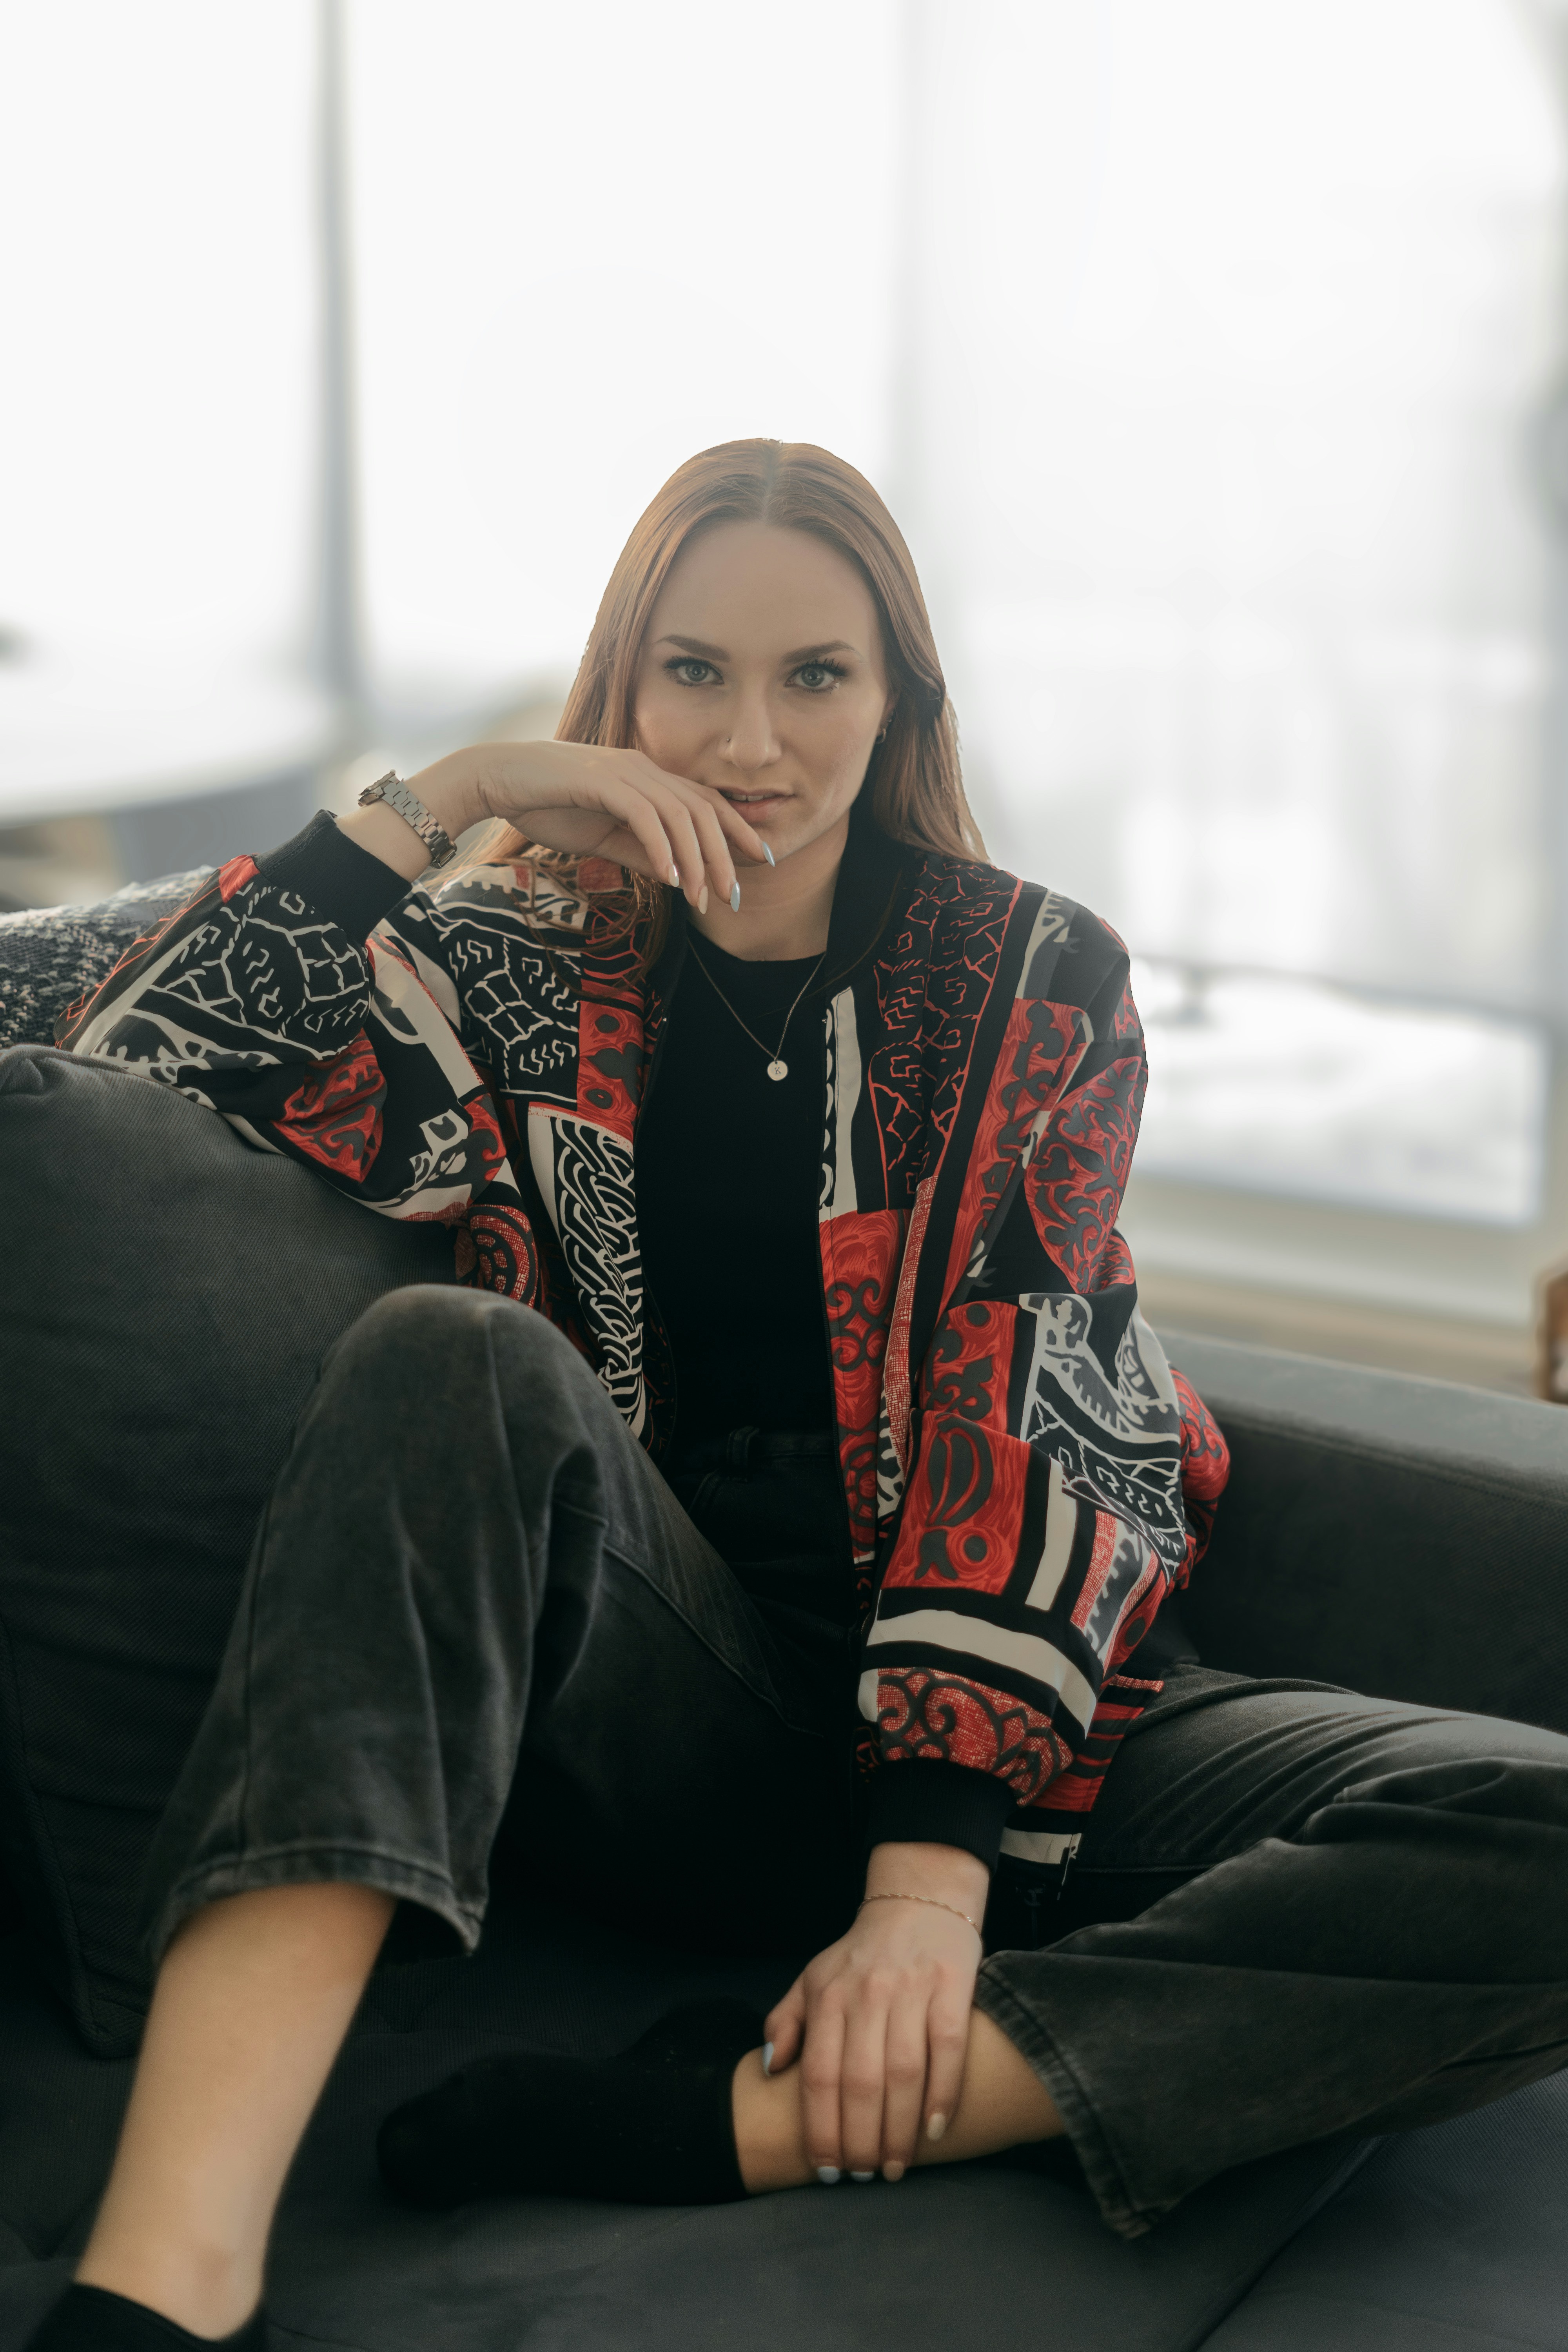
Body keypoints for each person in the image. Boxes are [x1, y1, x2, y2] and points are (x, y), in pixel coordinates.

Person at [35, 440, 1568, 2351]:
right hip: (679, 1714)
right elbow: (91, 1045)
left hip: (1010, 1739)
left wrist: (925, 1893)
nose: (749, 741)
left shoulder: (1026, 973)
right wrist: (459, 794)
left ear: (898, 698)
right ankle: (165, 2276)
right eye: (692, 671)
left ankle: (739, 2122)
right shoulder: (505, 956)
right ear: (623, 683)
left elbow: (1024, 1388)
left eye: (814, 675)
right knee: (449, 1354)